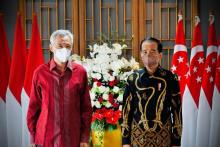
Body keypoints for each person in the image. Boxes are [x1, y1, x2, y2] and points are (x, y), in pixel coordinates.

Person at [27, 30, 92, 147]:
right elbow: (33, 107)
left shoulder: (80, 72)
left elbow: (86, 108)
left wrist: (84, 138)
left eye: (67, 46)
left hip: (73, 139)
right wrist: (33, 138)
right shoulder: (40, 73)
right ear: (51, 47)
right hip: (45, 139)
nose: (64, 49)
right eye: (60, 46)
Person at [121, 37, 182, 147]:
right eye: (145, 52)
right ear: (141, 55)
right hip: (138, 138)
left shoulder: (170, 78)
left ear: (160, 55)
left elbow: (177, 109)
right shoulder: (132, 79)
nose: (148, 55)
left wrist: (176, 141)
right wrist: (125, 142)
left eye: (153, 51)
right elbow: (126, 111)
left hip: (163, 137)